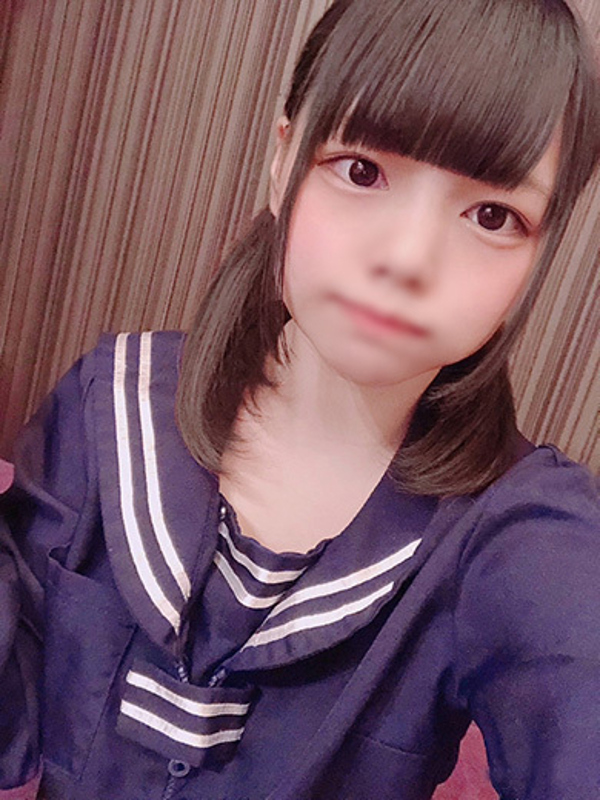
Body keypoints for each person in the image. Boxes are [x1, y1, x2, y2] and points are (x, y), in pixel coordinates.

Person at [2, 0, 599, 797]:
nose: (407, 258)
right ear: (282, 160)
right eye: (362, 171)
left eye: (493, 215)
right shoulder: (107, 405)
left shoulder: (522, 535)